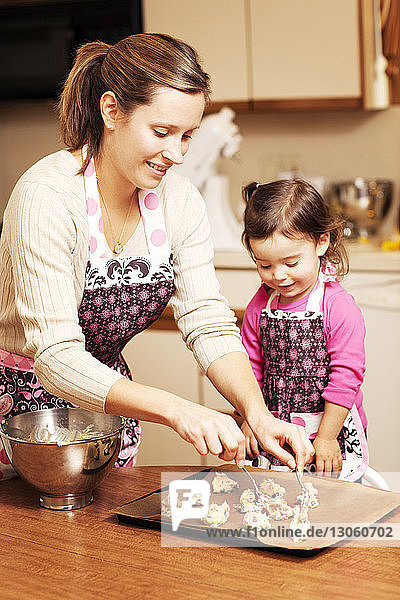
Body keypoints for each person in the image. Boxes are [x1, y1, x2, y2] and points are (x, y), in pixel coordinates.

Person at [0, 34, 314, 480]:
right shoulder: (47, 197)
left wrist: (256, 412)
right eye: (162, 132)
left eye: (188, 135)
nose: (178, 154)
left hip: (111, 409)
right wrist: (177, 410)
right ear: (111, 111)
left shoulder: (179, 200)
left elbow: (206, 318)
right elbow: (54, 355)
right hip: (20, 417)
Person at [241, 179, 368, 481]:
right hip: (275, 434)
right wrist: (249, 420)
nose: (278, 276)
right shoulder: (260, 305)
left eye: (291, 262)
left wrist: (326, 438)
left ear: (321, 242)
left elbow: (346, 376)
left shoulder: (337, 306)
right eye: (264, 265)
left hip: (330, 433)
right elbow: (249, 368)